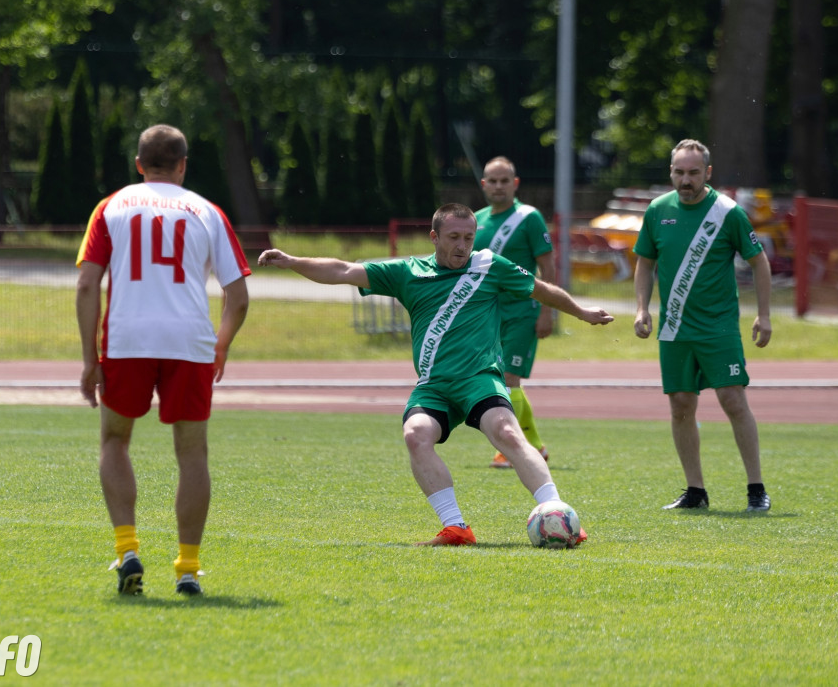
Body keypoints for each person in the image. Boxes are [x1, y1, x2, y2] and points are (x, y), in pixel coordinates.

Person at [258, 204, 614, 546]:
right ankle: (456, 528)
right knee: (415, 434)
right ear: (434, 237)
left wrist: (581, 312)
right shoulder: (408, 271)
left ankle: (558, 513)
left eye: (469, 237)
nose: (462, 245)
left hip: (479, 378)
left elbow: (540, 288)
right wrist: (292, 261)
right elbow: (343, 271)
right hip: (434, 386)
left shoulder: (489, 265)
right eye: (454, 237)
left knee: (507, 431)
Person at [76, 124, 251, 596]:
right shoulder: (208, 211)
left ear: (139, 164)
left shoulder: (110, 207)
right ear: (182, 165)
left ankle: (127, 549)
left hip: (127, 338)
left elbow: (87, 284)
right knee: (192, 453)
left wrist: (90, 358)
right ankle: (188, 569)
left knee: (115, 440)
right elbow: (238, 297)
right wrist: (220, 345)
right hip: (189, 341)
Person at [633, 138, 772, 512]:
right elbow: (645, 262)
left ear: (707, 173)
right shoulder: (658, 211)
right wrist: (642, 309)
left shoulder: (728, 213)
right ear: (671, 172)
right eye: (679, 172)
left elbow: (759, 262)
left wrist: (764, 315)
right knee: (680, 405)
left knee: (733, 400)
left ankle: (756, 489)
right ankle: (695, 491)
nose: (686, 180)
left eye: (693, 172)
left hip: (718, 327)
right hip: (674, 328)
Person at [474, 156, 556, 468]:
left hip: (523, 311)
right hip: (488, 315)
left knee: (509, 379)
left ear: (515, 183)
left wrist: (547, 312)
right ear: (484, 184)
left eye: (504, 180)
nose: (498, 186)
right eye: (492, 181)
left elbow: (548, 267)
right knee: (500, 380)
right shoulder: (477, 220)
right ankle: (536, 446)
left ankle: (511, 448)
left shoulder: (529, 217)